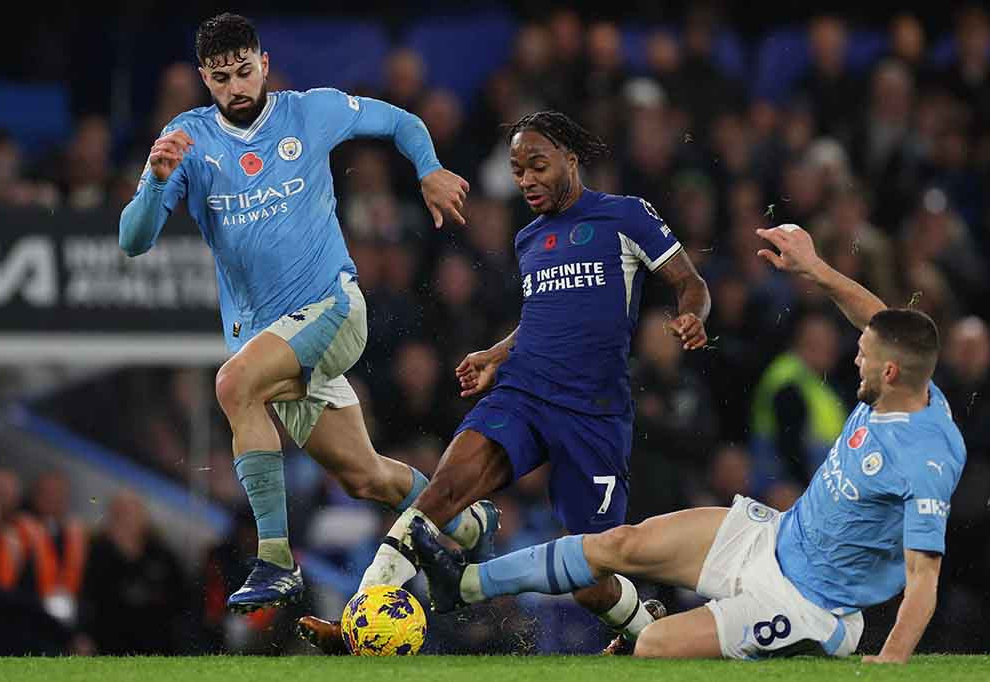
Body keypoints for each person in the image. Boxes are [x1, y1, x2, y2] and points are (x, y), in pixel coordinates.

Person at [411, 223, 966, 664]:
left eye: (865, 356)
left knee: (653, 647)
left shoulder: (926, 458)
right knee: (619, 544)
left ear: (890, 371)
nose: (855, 358)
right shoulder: (909, 380)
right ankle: (466, 585)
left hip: (808, 603)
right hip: (773, 536)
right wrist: (815, 267)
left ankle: (794, 644)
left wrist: (892, 660)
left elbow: (924, 580)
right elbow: (877, 318)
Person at [118, 12, 496, 613]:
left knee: (234, 384)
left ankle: (275, 560)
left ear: (264, 64)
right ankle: (470, 523)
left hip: (332, 308)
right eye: (221, 78)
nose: (236, 87)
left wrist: (428, 169)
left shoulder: (309, 112)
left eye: (245, 71)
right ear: (204, 78)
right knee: (366, 477)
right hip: (271, 340)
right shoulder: (186, 140)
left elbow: (400, 120)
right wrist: (156, 181)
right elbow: (133, 240)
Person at [298, 110, 712, 654]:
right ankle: (361, 615)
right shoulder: (528, 238)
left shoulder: (625, 216)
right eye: (518, 171)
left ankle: (643, 628)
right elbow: (543, 316)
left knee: (591, 577)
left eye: (538, 166)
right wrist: (497, 354)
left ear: (570, 159)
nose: (527, 180)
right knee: (443, 490)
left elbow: (690, 281)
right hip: (523, 394)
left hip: (593, 414)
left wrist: (692, 314)